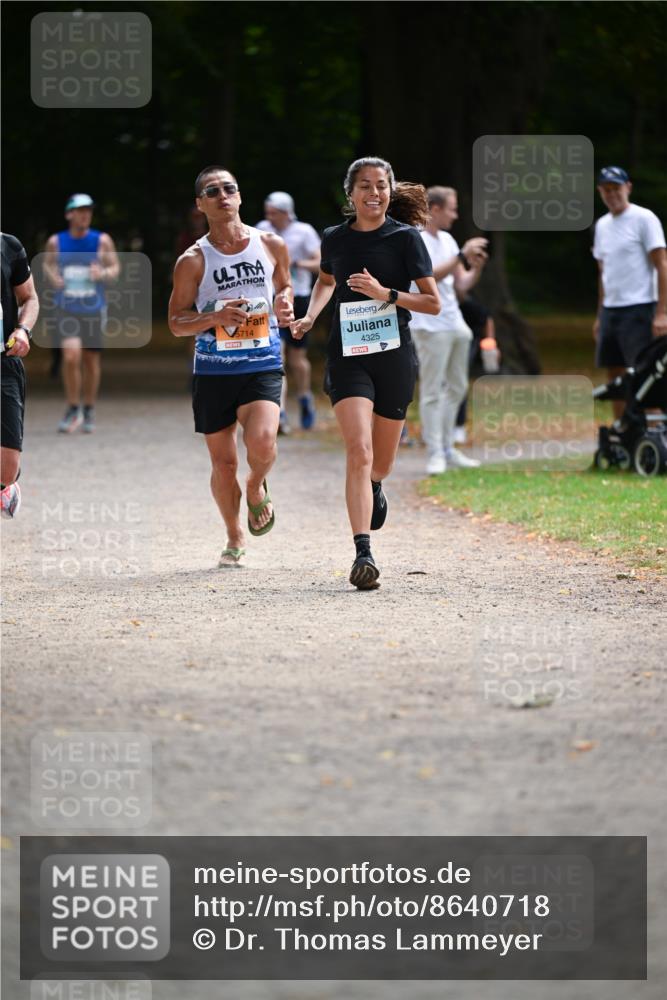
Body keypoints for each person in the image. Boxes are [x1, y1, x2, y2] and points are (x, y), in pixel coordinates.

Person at [291, 156, 440, 590]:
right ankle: (363, 552)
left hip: (393, 356)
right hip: (348, 355)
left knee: (381, 461)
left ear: (390, 192)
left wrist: (385, 294)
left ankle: (376, 483)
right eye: (365, 186)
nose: (374, 193)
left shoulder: (406, 239)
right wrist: (309, 317)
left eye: (381, 186)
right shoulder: (334, 238)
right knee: (358, 450)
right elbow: (324, 281)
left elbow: (433, 303)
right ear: (350, 193)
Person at [168, 165, 294, 568]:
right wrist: (213, 317)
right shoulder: (192, 260)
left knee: (263, 443)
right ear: (200, 204)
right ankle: (234, 534)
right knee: (223, 464)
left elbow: (285, 285)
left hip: (262, 363)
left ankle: (257, 485)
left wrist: (286, 301)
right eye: (212, 191)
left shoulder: (271, 244)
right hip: (213, 371)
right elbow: (175, 321)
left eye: (229, 189)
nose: (222, 195)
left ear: (239, 197)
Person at [410, 186, 488, 475]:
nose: (456, 215)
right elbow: (426, 279)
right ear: (435, 209)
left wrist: (475, 267)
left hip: (454, 322)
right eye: (452, 209)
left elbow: (461, 284)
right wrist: (460, 256)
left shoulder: (447, 239)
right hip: (429, 325)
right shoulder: (416, 240)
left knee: (457, 387)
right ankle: (435, 454)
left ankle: (447, 448)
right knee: (432, 391)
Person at [593, 166, 667, 419]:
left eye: (616, 188)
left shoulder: (644, 219)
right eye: (606, 190)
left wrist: (662, 313)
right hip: (612, 310)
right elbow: (604, 273)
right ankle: (623, 429)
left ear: (628, 188)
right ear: (600, 192)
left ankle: (655, 429)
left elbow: (662, 264)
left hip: (640, 306)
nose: (612, 194)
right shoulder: (602, 225)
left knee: (645, 371)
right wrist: (600, 315)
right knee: (614, 373)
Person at [44, 193, 120, 433]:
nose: (85, 214)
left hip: (93, 308)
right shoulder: (56, 242)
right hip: (66, 308)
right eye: (80, 210)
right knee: (70, 356)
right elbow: (48, 265)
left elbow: (115, 268)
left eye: (88, 210)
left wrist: (103, 275)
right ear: (69, 214)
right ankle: (72, 406)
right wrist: (52, 277)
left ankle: (88, 408)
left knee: (90, 360)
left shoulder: (102, 241)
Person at [257, 191, 321, 433]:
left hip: (300, 297)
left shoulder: (304, 231)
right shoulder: (262, 229)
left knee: (297, 359)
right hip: (272, 297)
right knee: (278, 356)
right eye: (267, 212)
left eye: (273, 212)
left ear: (286, 212)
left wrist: (296, 263)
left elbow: (321, 263)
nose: (269, 217)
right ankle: (280, 414)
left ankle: (305, 397)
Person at [1, 233, 39, 519]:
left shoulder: (9, 246)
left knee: (7, 469)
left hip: (4, 361)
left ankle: (6, 485)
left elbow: (29, 297)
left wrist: (22, 330)